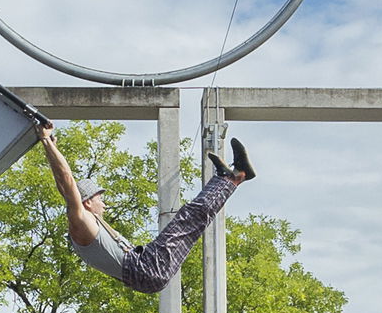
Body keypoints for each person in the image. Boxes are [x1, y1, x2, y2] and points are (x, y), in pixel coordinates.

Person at [40, 122, 256, 294]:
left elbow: (63, 184)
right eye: (99, 198)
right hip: (145, 267)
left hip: (145, 270)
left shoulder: (84, 219)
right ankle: (234, 177)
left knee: (190, 222)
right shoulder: (81, 222)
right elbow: (67, 181)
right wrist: (46, 141)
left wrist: (50, 146)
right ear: (87, 202)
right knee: (188, 218)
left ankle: (227, 179)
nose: (104, 204)